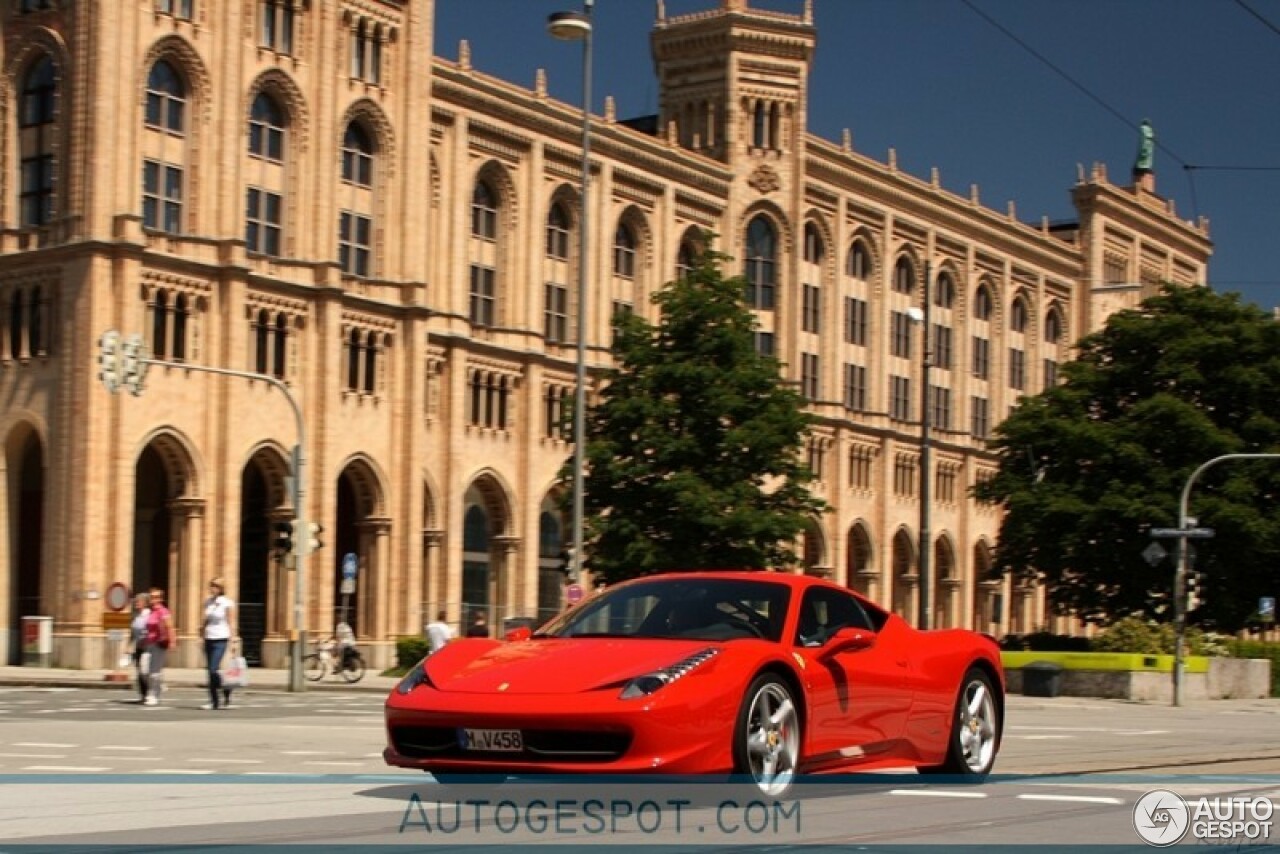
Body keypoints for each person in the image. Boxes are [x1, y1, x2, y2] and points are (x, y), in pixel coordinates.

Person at [201, 577, 236, 710]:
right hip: (209, 637)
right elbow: (205, 620)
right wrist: (201, 633)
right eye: (211, 586)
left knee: (212, 669)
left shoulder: (227, 603)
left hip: (221, 638)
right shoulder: (208, 602)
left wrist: (233, 641)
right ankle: (215, 699)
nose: (212, 588)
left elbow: (231, 622)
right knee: (210, 671)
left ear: (221, 588)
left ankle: (220, 696)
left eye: (215, 586)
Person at [143, 587, 175, 707]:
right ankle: (158, 686)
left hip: (159, 644)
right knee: (144, 670)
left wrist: (172, 641)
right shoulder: (150, 612)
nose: (153, 599)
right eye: (151, 597)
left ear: (161, 599)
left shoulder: (163, 611)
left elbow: (170, 627)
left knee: (154, 672)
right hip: (148, 644)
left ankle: (153, 695)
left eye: (156, 597)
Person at [129, 592, 151, 702]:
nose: (136, 603)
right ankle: (143, 695)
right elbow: (133, 632)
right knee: (139, 671)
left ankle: (150, 692)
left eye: (138, 601)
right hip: (138, 647)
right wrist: (129, 646)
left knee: (144, 671)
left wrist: (147, 640)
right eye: (135, 601)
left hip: (148, 647)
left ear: (145, 603)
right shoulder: (136, 615)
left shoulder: (149, 615)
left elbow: (152, 631)